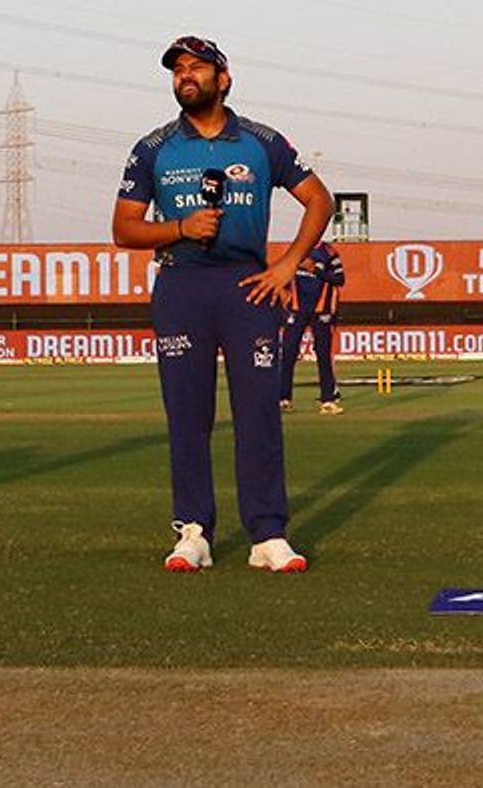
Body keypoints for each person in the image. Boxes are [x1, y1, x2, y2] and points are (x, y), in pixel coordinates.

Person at [112, 35, 334, 574]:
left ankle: (268, 533)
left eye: (196, 68)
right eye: (177, 70)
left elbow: (319, 200)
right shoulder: (153, 147)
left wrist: (286, 265)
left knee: (258, 411)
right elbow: (123, 228)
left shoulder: (262, 141)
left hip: (247, 286)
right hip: (182, 285)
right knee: (188, 414)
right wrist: (181, 228)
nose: (185, 76)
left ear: (223, 78)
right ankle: (193, 531)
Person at [277, 240, 346, 414]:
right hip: (297, 309)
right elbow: (284, 275)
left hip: (321, 309)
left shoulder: (329, 253)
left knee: (323, 353)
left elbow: (340, 279)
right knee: (288, 351)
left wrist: (314, 269)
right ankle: (283, 398)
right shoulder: (296, 249)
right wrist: (283, 291)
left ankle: (328, 400)